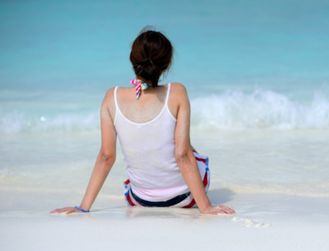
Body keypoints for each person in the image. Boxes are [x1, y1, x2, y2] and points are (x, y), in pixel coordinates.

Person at [51, 29, 235, 216]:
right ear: (167, 64)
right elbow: (183, 155)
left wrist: (83, 207)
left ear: (133, 60)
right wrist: (206, 208)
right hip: (185, 199)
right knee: (191, 151)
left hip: (140, 200)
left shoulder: (111, 97)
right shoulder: (177, 92)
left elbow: (106, 157)